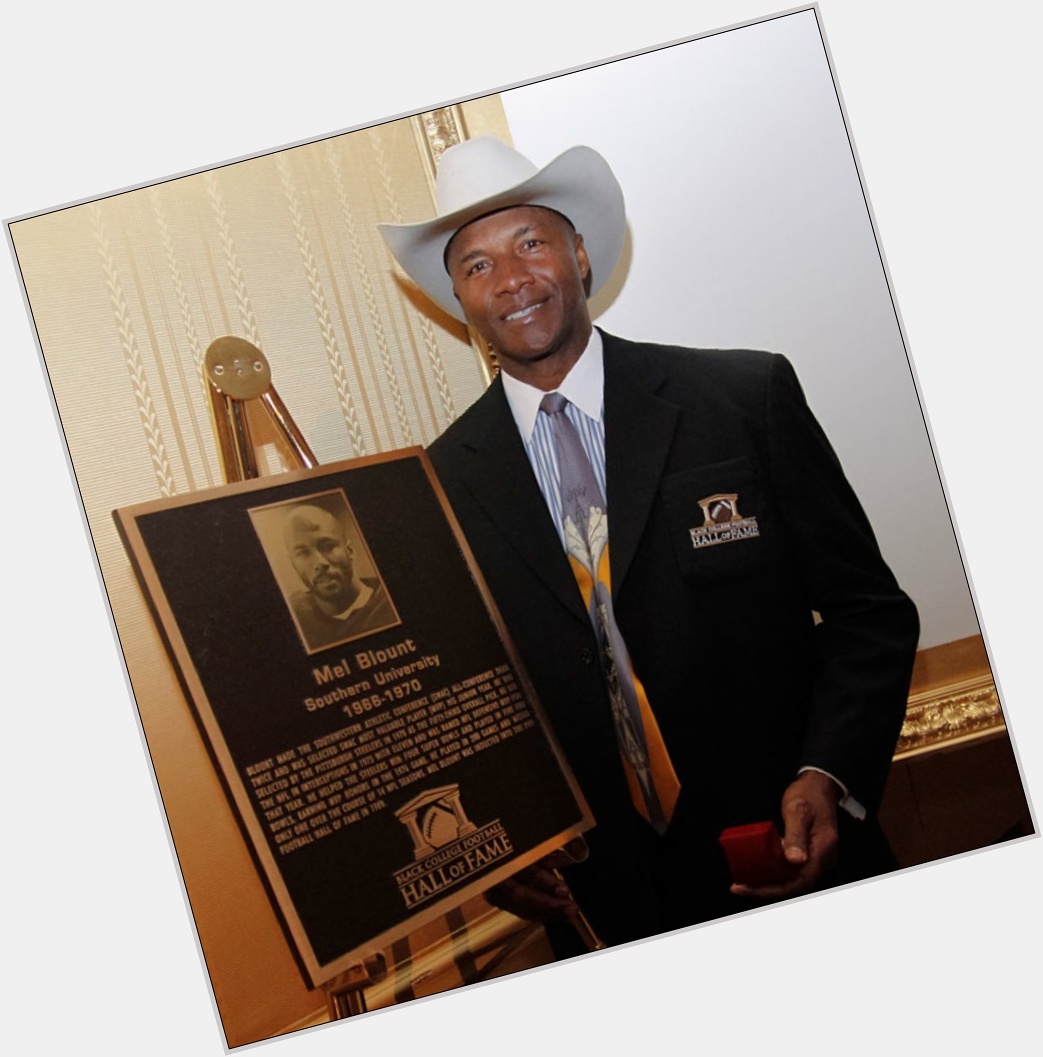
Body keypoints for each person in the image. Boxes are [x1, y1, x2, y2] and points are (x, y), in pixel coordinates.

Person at [379, 137, 919, 954]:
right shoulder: (435, 487)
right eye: (478, 265)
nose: (513, 279)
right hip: (608, 911)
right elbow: (461, 706)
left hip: (794, 854)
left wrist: (828, 774)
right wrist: (493, 848)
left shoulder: (742, 398)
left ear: (580, 254)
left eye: (531, 243)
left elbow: (868, 615)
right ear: (458, 298)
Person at [283, 503, 397, 651]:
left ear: (349, 550)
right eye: (303, 553)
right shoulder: (295, 615)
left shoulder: (387, 603)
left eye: (328, 546)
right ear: (293, 564)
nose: (319, 563)